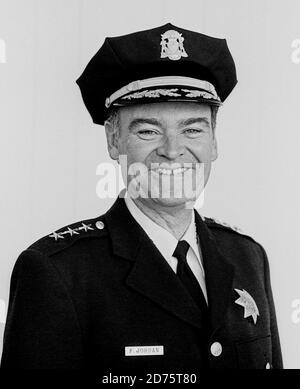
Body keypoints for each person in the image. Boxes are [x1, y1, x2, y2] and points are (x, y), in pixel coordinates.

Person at [1, 23, 282, 371]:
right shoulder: (58, 271)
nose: (173, 150)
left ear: (214, 141)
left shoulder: (247, 256)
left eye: (192, 129)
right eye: (148, 131)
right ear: (114, 140)